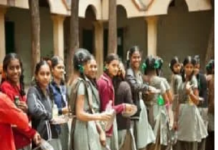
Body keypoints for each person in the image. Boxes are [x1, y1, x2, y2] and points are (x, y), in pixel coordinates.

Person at [68, 49, 111, 150]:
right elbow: (80, 114)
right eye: (88, 64)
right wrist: (100, 116)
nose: (90, 67)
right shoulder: (81, 84)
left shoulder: (71, 81)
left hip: (79, 126)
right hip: (84, 128)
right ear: (82, 65)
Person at [0, 53, 41, 150]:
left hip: (25, 139)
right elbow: (15, 121)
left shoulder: (19, 87)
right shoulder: (6, 88)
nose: (15, 71)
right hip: (15, 141)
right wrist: (32, 133)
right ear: (5, 71)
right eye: (11, 68)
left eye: (18, 67)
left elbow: (25, 116)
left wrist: (27, 110)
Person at [98, 53, 132, 150]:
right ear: (106, 65)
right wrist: (123, 106)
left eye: (117, 66)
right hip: (105, 127)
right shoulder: (105, 84)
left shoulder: (107, 80)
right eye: (113, 65)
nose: (116, 69)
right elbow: (107, 110)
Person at [174, 56, 208, 150]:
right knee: (180, 141)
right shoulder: (182, 80)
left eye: (191, 67)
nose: (189, 69)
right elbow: (179, 101)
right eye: (187, 67)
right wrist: (175, 120)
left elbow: (196, 101)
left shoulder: (194, 80)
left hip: (190, 113)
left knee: (190, 142)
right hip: (182, 112)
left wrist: (190, 93)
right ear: (183, 67)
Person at [125, 46, 156, 150]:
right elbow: (134, 87)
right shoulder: (129, 72)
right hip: (134, 112)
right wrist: (147, 87)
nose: (137, 59)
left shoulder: (138, 73)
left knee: (143, 141)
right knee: (136, 142)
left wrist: (146, 92)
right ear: (130, 58)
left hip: (140, 109)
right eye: (134, 57)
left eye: (138, 57)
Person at [27, 60, 62, 150]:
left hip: (53, 137)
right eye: (42, 74)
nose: (45, 77)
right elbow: (33, 109)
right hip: (41, 140)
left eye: (48, 74)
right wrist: (49, 116)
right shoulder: (33, 91)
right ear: (36, 75)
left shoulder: (49, 91)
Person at [142, 56, 171, 150]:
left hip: (145, 112)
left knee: (147, 139)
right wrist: (159, 101)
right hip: (157, 111)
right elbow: (168, 98)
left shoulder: (142, 79)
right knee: (156, 140)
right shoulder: (161, 80)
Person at [113, 62, 137, 150]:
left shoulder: (108, 85)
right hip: (123, 125)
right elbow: (130, 107)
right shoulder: (125, 86)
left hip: (110, 128)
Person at [50, 56, 69, 150]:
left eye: (63, 67)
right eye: (59, 67)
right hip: (54, 127)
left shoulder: (63, 86)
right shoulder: (49, 87)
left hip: (65, 124)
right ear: (52, 70)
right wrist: (62, 110)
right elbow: (48, 108)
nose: (61, 70)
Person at [193, 55, 208, 150]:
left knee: (202, 133)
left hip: (202, 108)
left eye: (198, 67)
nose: (196, 69)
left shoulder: (202, 78)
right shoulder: (189, 78)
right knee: (195, 132)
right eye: (195, 67)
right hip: (194, 108)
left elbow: (202, 95)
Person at [205, 59, 214, 150]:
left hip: (210, 109)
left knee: (210, 133)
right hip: (211, 109)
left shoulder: (208, 78)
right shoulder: (209, 78)